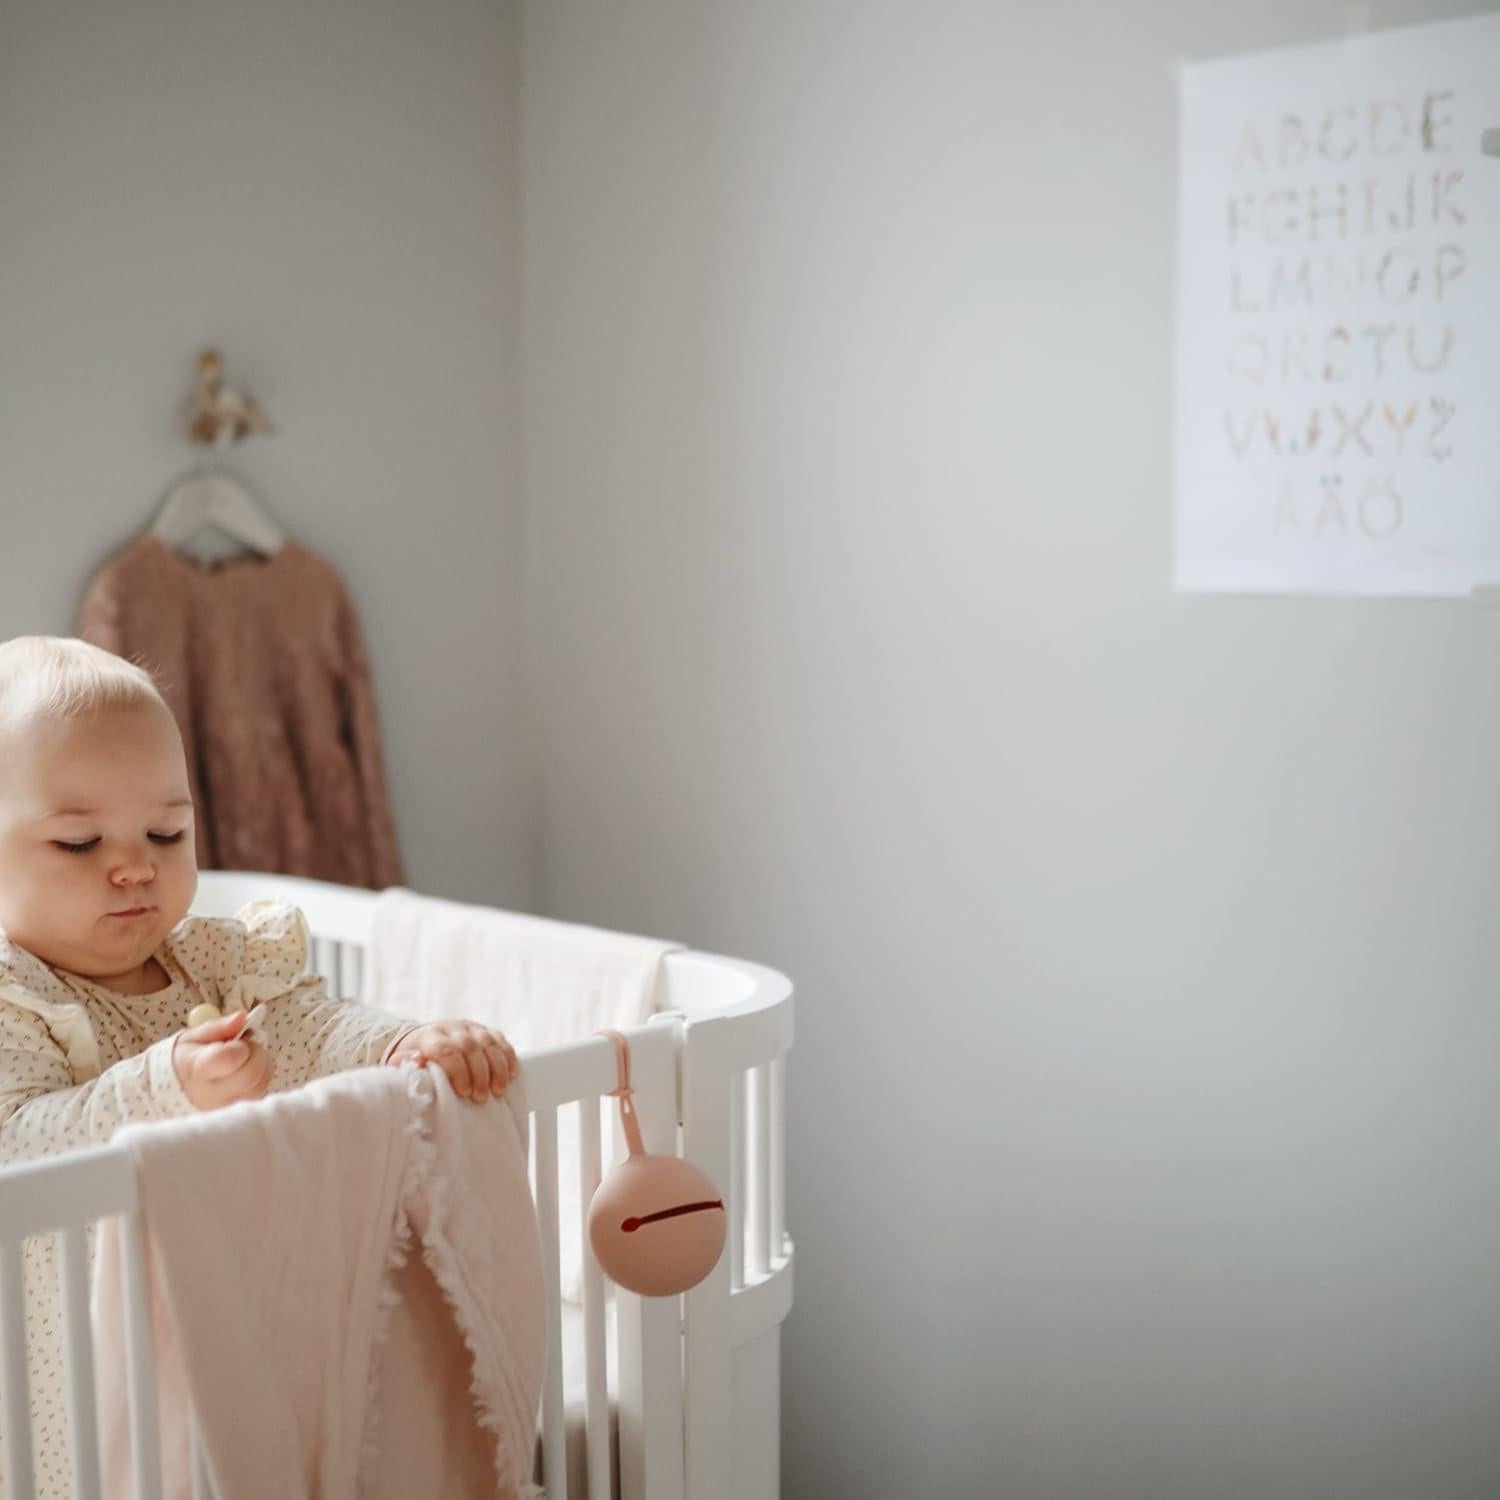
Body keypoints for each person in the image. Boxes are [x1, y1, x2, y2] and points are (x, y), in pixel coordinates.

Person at [0, 634, 518, 1497]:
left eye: (167, 830)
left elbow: (313, 1025)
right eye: (80, 842)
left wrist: (401, 1044)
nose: (135, 865)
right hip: (75, 1347)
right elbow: (17, 1144)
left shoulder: (217, 961)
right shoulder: (16, 1000)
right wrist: (160, 1085)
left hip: (228, 1308)